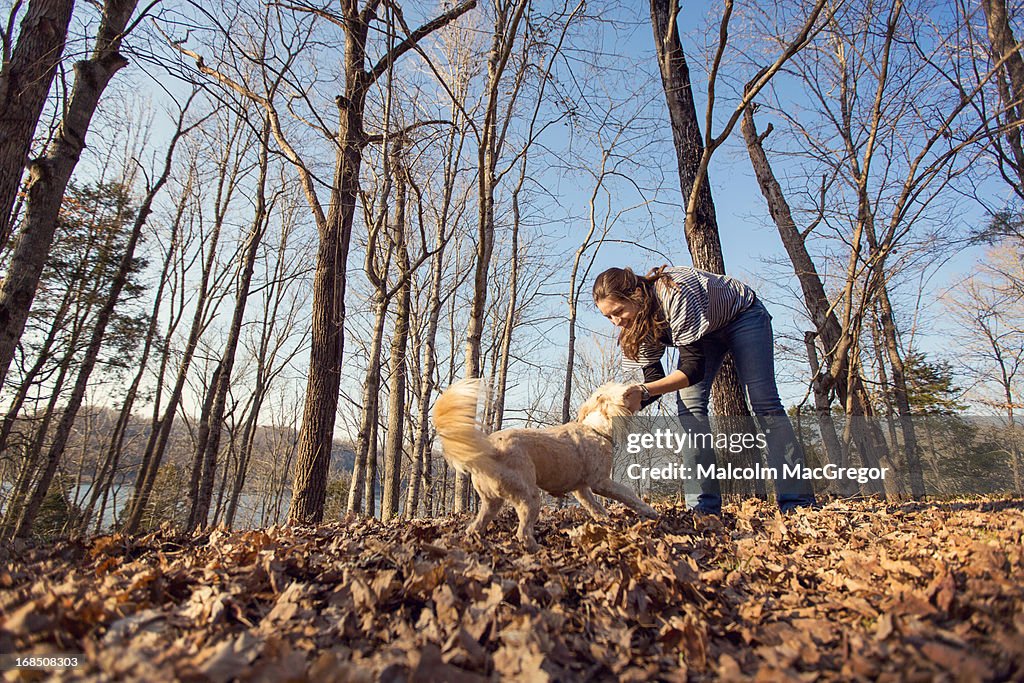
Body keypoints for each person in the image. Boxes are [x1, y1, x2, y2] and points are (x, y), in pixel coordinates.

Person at [593, 264, 817, 515]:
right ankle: (702, 509)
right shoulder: (635, 326)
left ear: (635, 295)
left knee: (764, 404)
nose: (616, 321)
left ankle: (798, 504)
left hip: (742, 315)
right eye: (608, 317)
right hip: (702, 335)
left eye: (618, 311)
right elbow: (654, 379)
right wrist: (621, 405)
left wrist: (643, 391)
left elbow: (693, 369)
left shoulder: (673, 293)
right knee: (689, 409)